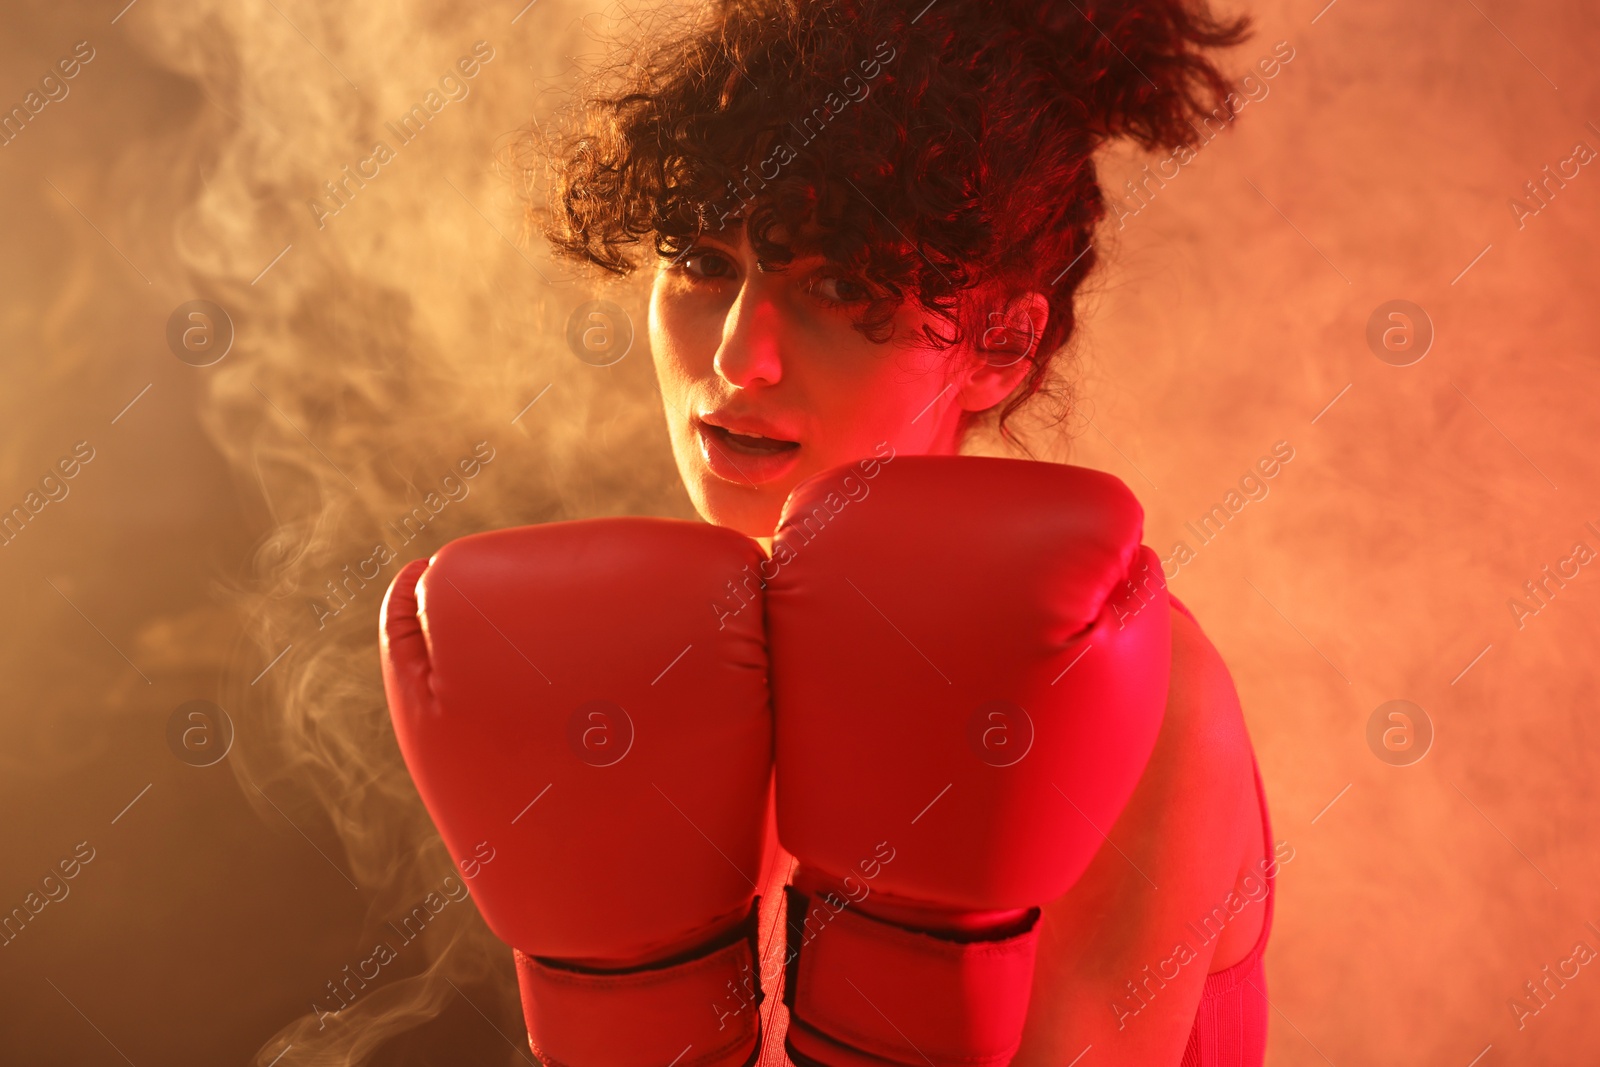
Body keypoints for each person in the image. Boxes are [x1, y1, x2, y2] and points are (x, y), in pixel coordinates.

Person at [383, 1, 1275, 1064]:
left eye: (840, 285)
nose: (737, 357)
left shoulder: (1142, 689)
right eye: (703, 262)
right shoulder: (658, 660)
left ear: (1000, 344)